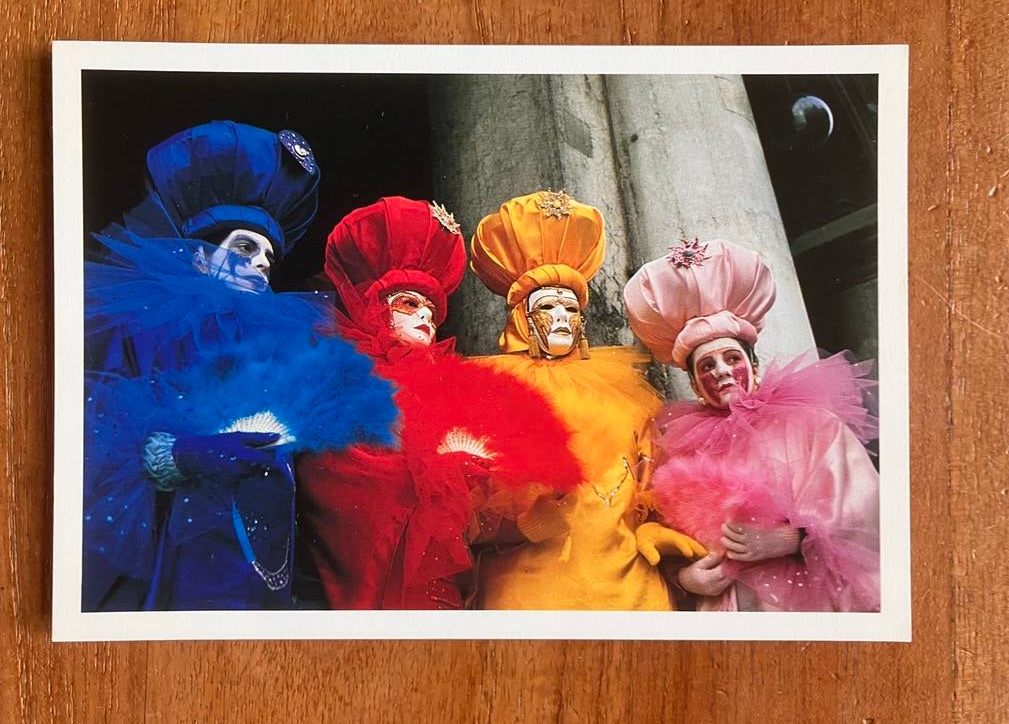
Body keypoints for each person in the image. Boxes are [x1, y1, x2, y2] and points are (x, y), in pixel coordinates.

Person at [83, 121, 396, 611]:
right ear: (201, 255)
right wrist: (178, 453)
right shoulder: (143, 325)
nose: (260, 266)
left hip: (263, 544)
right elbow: (95, 428)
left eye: (269, 258)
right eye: (245, 248)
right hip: (179, 532)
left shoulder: (281, 348)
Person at [295, 196, 582, 609]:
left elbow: (476, 523)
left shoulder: (448, 388)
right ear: (375, 308)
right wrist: (446, 475)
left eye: (431, 307)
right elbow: (341, 478)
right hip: (387, 584)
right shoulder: (342, 380)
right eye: (409, 303)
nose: (426, 316)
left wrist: (524, 501)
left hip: (448, 589)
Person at [468, 190, 705, 611]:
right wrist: (519, 521)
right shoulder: (489, 389)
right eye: (546, 306)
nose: (561, 316)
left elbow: (649, 474)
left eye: (570, 306)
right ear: (521, 317)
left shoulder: (623, 393)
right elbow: (459, 504)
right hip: (530, 586)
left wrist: (653, 527)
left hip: (627, 582)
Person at [624, 238, 881, 611]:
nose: (722, 371)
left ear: (755, 367)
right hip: (726, 609)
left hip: (806, 603)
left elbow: (865, 512)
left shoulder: (814, 425)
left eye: (732, 357)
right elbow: (663, 538)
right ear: (695, 385)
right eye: (707, 366)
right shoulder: (677, 448)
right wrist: (685, 579)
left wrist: (792, 539)